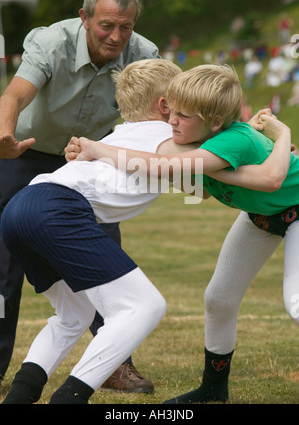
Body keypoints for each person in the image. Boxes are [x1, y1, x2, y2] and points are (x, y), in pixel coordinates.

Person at [0, 59, 285, 405]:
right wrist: (268, 143)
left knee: (73, 316)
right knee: (145, 307)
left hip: (20, 207)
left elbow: (202, 187)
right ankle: (69, 399)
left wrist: (92, 147)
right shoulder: (169, 138)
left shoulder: (120, 134)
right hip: (57, 209)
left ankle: (19, 397)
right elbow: (235, 172)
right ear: (166, 104)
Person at [81, 64, 299, 404]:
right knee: (218, 299)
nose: (172, 121)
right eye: (171, 111)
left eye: (184, 115)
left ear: (214, 123)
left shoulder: (233, 139)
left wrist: (96, 148)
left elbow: (270, 180)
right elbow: (199, 189)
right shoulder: (199, 141)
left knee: (295, 302)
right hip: (262, 215)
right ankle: (213, 390)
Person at [0, 0, 161, 392]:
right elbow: (15, 94)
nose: (117, 36)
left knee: (107, 256)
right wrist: (4, 132)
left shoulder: (144, 56)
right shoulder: (52, 41)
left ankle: (114, 365)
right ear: (85, 18)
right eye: (107, 25)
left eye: (126, 27)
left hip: (90, 159)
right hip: (28, 152)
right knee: (3, 265)